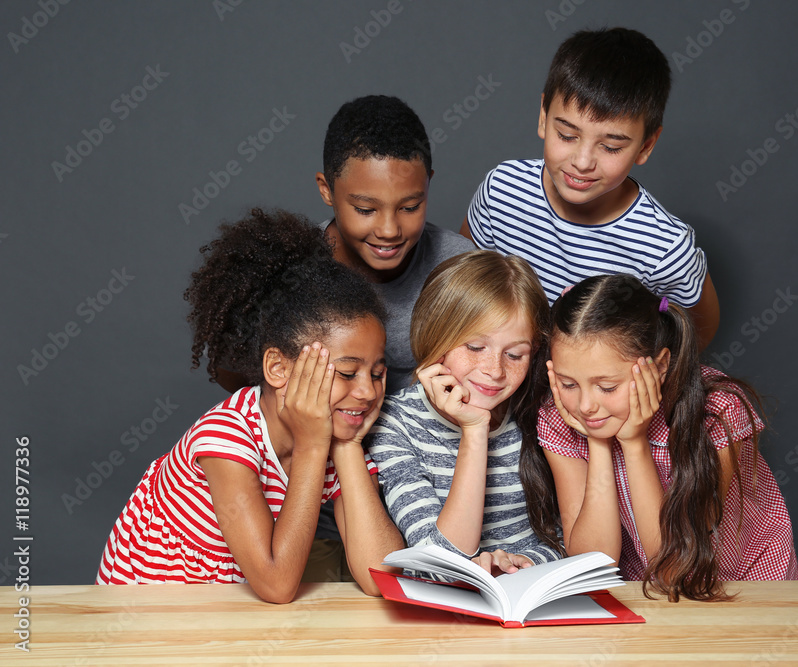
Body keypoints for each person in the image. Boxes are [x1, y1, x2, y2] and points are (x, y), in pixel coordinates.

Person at [96, 209, 403, 601]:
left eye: (377, 373)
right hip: (147, 615)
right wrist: (312, 445)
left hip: (225, 617)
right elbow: (276, 585)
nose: (366, 391)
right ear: (277, 368)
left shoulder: (336, 441)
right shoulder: (227, 436)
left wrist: (346, 447)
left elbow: (380, 576)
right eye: (346, 373)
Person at [522, 274, 797, 602]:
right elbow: (592, 563)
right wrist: (598, 444)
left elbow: (674, 566)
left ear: (661, 365)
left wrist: (634, 444)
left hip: (745, 583)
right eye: (568, 384)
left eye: (607, 387)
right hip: (649, 591)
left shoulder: (719, 411)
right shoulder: (561, 418)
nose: (585, 406)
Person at [461, 27, 720, 350]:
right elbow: (464, 285)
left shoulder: (664, 248)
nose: (582, 162)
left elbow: (698, 331)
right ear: (543, 117)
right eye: (567, 135)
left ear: (646, 145)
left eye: (611, 147)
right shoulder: (502, 191)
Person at [366, 250, 560, 574]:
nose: (494, 370)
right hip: (439, 613)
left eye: (514, 354)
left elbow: (570, 541)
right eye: (474, 347)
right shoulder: (394, 423)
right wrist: (475, 430)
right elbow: (436, 562)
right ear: (436, 334)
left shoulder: (540, 410)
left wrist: (522, 564)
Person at [316, 94, 475, 395]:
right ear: (327, 191)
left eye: (410, 207)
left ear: (428, 184)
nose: (389, 230)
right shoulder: (296, 264)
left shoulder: (456, 266)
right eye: (365, 210)